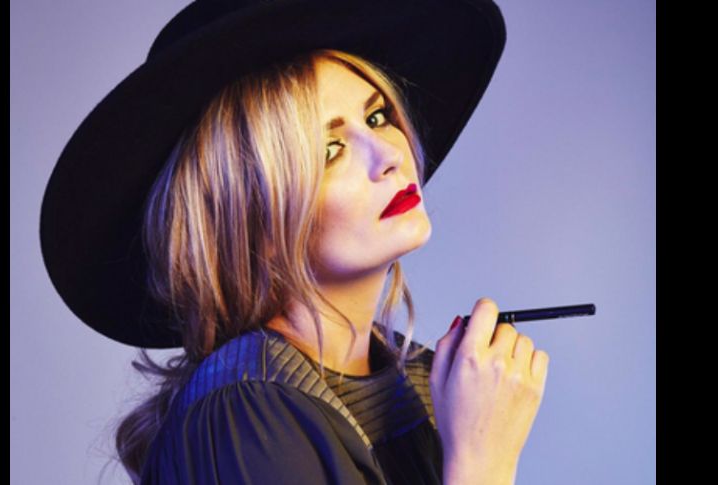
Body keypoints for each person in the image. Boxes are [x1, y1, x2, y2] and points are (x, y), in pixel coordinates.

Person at [39, 1, 549, 484]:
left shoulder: (421, 380)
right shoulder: (245, 413)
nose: (389, 155)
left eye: (377, 117)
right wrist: (482, 460)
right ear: (252, 218)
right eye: (330, 150)